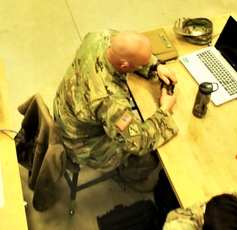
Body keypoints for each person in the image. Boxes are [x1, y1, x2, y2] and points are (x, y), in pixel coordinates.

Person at [53, 29, 178, 189]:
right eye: (141, 65)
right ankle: (130, 176)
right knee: (151, 154)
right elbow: (139, 142)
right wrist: (165, 110)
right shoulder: (110, 101)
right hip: (80, 141)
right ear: (125, 65)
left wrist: (156, 66)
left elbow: (121, 43)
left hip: (66, 107)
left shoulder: (98, 37)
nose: (143, 66)